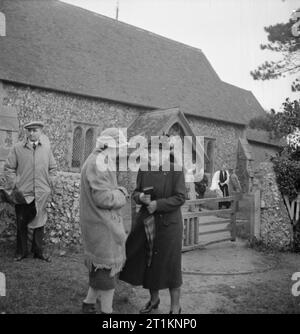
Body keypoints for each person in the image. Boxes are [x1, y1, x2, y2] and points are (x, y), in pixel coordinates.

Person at [119, 141, 186, 314]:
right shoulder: (144, 169)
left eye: (158, 151)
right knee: (150, 263)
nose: (153, 155)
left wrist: (158, 204)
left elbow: (180, 197)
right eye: (151, 151)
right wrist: (140, 196)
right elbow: (135, 193)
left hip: (169, 226)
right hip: (148, 223)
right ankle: (154, 300)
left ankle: (175, 307)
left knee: (171, 266)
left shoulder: (175, 169)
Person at [80, 128, 129, 314]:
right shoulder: (98, 162)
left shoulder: (100, 160)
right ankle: (107, 313)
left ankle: (88, 304)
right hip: (102, 226)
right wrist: (121, 193)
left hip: (98, 225)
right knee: (106, 276)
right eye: (119, 147)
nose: (120, 151)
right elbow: (103, 199)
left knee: (100, 271)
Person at [4, 121, 57, 262]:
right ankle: (21, 252)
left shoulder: (46, 149)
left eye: (35, 130)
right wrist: (15, 185)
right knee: (21, 222)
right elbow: (9, 168)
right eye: (29, 130)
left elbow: (53, 168)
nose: (32, 133)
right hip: (23, 193)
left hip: (41, 193)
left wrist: (49, 184)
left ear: (41, 131)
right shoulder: (17, 148)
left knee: (40, 222)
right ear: (26, 132)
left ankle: (38, 251)